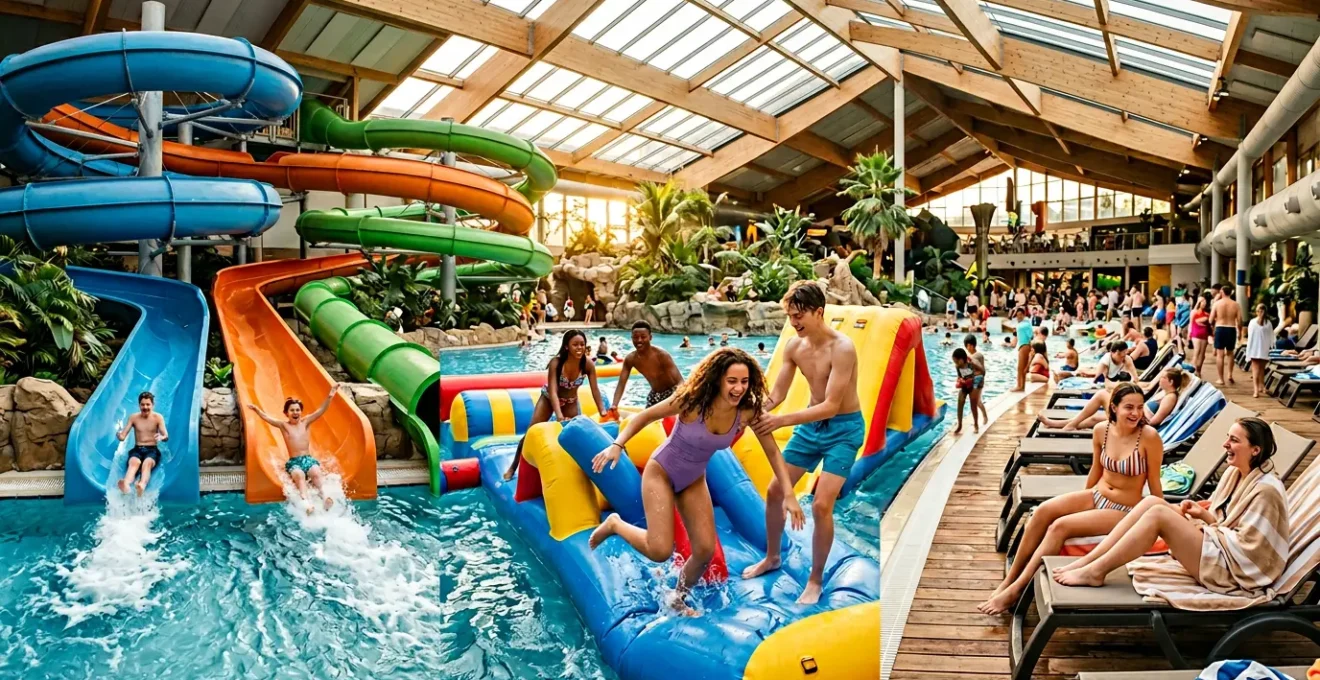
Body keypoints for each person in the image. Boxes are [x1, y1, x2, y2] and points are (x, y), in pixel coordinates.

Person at [590, 348, 805, 615]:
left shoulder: (747, 413)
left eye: (744, 381)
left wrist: (790, 495)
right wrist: (617, 445)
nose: (739, 388)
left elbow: (773, 452)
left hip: (693, 480)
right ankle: (615, 525)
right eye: (732, 381)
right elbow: (645, 416)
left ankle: (677, 597)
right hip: (662, 474)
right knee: (660, 550)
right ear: (717, 379)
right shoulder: (691, 401)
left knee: (703, 551)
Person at [979, 383, 1164, 614]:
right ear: (1114, 407)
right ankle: (1008, 580)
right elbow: (1096, 470)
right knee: (1043, 511)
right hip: (1097, 494)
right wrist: (1083, 502)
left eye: (1140, 407)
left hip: (1125, 508)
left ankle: (1016, 589)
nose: (1136, 413)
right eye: (1129, 407)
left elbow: (1155, 487)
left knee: (1060, 526)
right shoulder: (1101, 430)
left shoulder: (1149, 438)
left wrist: (1161, 520)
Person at [1053, 418, 1287, 599]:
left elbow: (1253, 550)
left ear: (1255, 450)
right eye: (1228, 437)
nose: (1225, 444)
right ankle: (1090, 560)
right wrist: (1203, 515)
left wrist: (1205, 529)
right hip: (1220, 548)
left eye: (1234, 440)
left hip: (1232, 570)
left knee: (1158, 514)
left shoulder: (1266, 491)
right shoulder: (1236, 473)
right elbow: (1224, 520)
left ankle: (1096, 572)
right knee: (1151, 502)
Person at [742, 282, 864, 605]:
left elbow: (831, 406)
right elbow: (777, 395)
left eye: (798, 316)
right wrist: (754, 413)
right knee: (773, 491)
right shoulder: (795, 347)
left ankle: (815, 578)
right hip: (811, 430)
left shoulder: (843, 348)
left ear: (818, 312)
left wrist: (779, 421)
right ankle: (772, 557)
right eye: (790, 317)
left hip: (844, 430)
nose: (793, 323)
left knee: (822, 504)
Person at [505, 331, 605, 480]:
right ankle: (513, 467)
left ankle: (579, 471)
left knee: (577, 435)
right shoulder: (557, 363)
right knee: (531, 432)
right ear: (566, 347)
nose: (579, 348)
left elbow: (595, 390)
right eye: (575, 345)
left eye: (582, 344)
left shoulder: (587, 364)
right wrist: (558, 415)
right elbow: (553, 392)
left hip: (570, 402)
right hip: (548, 399)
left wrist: (603, 411)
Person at [246, 383, 341, 513]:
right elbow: (267, 418)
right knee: (299, 476)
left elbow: (320, 411)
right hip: (295, 462)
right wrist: (257, 410)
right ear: (286, 413)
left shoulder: (306, 422)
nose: (295, 412)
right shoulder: (283, 425)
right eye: (292, 410)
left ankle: (325, 497)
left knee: (316, 473)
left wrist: (330, 396)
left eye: (297, 410)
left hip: (308, 459)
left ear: (301, 412)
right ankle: (307, 504)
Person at [1038, 366, 1189, 431]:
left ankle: (1068, 426)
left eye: (1163, 378)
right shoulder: (1164, 392)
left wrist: (1135, 413)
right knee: (1094, 419)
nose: (1160, 379)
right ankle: (1056, 424)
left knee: (1102, 394)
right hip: (1134, 419)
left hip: (1136, 424)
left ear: (1170, 382)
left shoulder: (1170, 398)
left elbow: (1155, 421)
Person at [606, 321, 685, 415]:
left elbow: (680, 381)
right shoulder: (631, 359)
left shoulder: (661, 355)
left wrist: (678, 399)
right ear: (631, 338)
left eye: (643, 337)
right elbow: (621, 384)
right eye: (635, 337)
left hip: (672, 393)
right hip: (655, 395)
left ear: (650, 337)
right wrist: (614, 404)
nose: (639, 340)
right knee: (646, 422)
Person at [115, 391, 169, 496]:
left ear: (152, 405)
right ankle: (126, 484)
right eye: (142, 404)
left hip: (152, 450)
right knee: (134, 462)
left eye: (148, 404)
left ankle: (142, 485)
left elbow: (166, 436)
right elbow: (123, 436)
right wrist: (118, 434)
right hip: (137, 449)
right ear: (139, 405)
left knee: (147, 463)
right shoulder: (133, 417)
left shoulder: (158, 418)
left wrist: (162, 437)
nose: (145, 407)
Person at [1210, 284, 1243, 386]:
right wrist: (1240, 332)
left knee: (1220, 355)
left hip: (1220, 328)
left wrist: (1213, 327)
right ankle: (1230, 374)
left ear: (1222, 292)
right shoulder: (1236, 304)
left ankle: (1221, 379)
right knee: (1230, 353)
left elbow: (1210, 319)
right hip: (1231, 328)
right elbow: (1240, 321)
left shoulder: (1217, 304)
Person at [1246, 304, 1274, 398]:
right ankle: (1256, 389)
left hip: (1263, 348)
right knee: (1256, 369)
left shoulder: (1268, 323)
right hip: (1255, 348)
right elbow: (1250, 336)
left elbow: (1271, 336)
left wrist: (1271, 347)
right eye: (1259, 311)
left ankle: (1262, 386)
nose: (1260, 313)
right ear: (1256, 312)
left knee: (1261, 368)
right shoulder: (1253, 322)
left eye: (1262, 311)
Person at [963, 334, 989, 425]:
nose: (967, 347)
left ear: (973, 345)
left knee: (976, 401)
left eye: (969, 345)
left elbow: (981, 371)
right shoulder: (973, 356)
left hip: (978, 381)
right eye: (966, 346)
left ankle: (982, 418)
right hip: (974, 381)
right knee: (976, 401)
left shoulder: (977, 356)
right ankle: (981, 418)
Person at [952, 349, 979, 434]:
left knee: (973, 405)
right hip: (964, 386)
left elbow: (977, 376)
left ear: (961, 360)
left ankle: (976, 424)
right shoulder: (957, 367)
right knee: (960, 402)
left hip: (972, 386)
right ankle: (959, 424)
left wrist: (970, 381)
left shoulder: (971, 365)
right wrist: (960, 380)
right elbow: (959, 377)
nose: (955, 364)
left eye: (956, 362)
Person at [1190, 292, 1212, 375]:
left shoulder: (1207, 313)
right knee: (1197, 351)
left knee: (1202, 354)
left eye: (1205, 302)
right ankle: (1193, 369)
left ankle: (1198, 370)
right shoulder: (1194, 312)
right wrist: (1190, 333)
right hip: (1196, 333)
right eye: (1202, 302)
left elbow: (1210, 324)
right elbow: (1191, 323)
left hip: (1204, 334)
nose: (1204, 304)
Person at [1012, 307, 1034, 391]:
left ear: (1024, 315)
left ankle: (1019, 386)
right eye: (1017, 315)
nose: (1019, 316)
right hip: (1022, 345)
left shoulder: (1025, 324)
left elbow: (1031, 336)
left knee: (1020, 368)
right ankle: (1022, 386)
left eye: (1020, 315)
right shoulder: (1023, 324)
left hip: (1024, 346)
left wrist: (1031, 346)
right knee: (1022, 368)